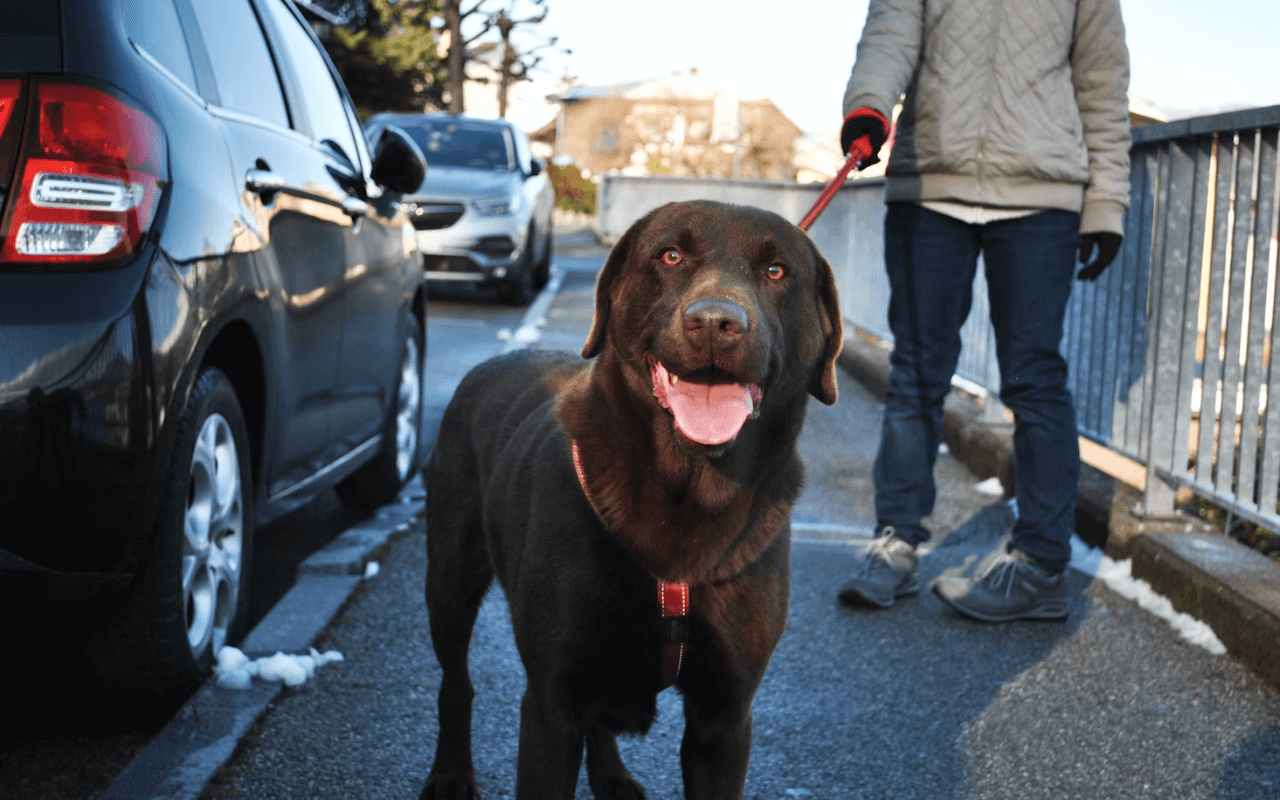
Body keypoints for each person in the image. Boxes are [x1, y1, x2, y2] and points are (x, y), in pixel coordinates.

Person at [835, 0, 1132, 622]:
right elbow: (888, 37)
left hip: (1040, 196)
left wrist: (1105, 203)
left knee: (1034, 377)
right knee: (916, 371)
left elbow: (1102, 85)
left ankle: (1041, 563)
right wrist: (868, 107)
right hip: (930, 185)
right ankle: (896, 542)